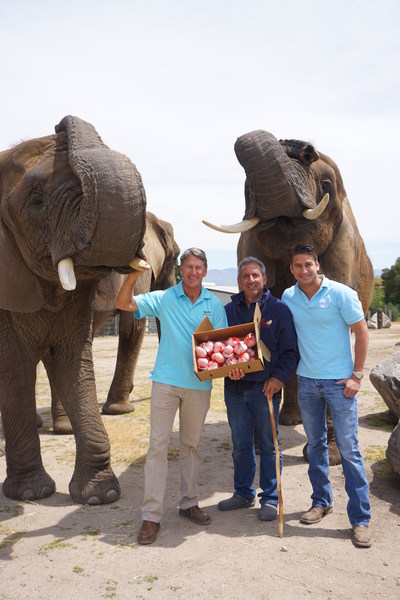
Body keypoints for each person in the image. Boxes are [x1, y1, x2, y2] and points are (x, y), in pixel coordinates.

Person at [116, 248, 227, 545]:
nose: (193, 272)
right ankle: (150, 517)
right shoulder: (164, 298)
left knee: (191, 446)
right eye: (188, 267)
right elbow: (123, 302)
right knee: (157, 449)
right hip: (165, 383)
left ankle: (189, 502)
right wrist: (135, 275)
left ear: (205, 271)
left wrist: (232, 367)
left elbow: (222, 348)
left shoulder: (214, 305)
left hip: (200, 387)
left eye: (198, 267)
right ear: (181, 271)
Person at [281, 244, 372, 548]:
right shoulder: (289, 297)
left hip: (339, 384)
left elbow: (361, 332)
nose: (303, 270)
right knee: (316, 445)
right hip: (306, 384)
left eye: (308, 264)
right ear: (291, 269)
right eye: (298, 266)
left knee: (349, 450)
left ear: (318, 265)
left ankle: (360, 519)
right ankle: (321, 501)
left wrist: (357, 376)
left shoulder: (340, 294)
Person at [218, 257, 299, 521]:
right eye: (245, 276)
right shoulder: (229, 310)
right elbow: (221, 350)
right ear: (239, 281)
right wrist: (228, 368)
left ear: (264, 279)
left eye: (255, 275)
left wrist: (278, 379)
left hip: (266, 390)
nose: (250, 280)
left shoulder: (279, 310)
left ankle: (271, 498)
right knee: (241, 445)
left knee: (268, 445)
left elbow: (290, 353)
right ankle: (243, 493)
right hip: (235, 389)